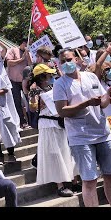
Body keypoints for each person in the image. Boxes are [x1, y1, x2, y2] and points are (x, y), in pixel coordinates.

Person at [53, 48, 111, 207]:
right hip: (81, 138)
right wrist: (87, 103)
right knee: (90, 181)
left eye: (69, 59)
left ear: (76, 59)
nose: (67, 63)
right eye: (63, 61)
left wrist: (109, 95)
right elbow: (62, 111)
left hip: (103, 134)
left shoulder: (90, 77)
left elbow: (103, 103)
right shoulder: (59, 84)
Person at [27, 64, 80, 197]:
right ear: (41, 77)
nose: (51, 77)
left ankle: (74, 181)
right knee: (55, 153)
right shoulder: (35, 90)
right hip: (47, 123)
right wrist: (33, 96)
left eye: (51, 74)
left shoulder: (53, 86)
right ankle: (60, 185)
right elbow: (33, 108)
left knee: (68, 151)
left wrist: (60, 72)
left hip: (61, 122)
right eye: (48, 75)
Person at [5, 37, 31, 129]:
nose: (27, 46)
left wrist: (28, 57)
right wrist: (21, 59)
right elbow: (9, 63)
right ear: (22, 43)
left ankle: (32, 120)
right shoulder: (13, 50)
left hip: (25, 81)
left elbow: (31, 65)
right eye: (26, 44)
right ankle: (22, 121)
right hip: (14, 81)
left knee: (30, 100)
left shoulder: (28, 53)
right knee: (17, 101)